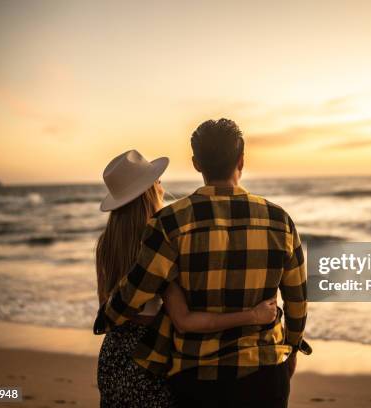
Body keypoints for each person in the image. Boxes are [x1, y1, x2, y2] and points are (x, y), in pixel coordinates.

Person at [94, 119, 311, 408]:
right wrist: (292, 348)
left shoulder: (170, 223)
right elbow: (298, 301)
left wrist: (105, 318)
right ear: (242, 160)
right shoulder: (279, 220)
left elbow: (134, 294)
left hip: (196, 377)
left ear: (196, 163)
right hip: (264, 370)